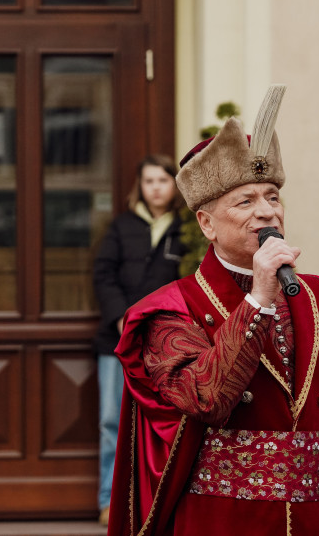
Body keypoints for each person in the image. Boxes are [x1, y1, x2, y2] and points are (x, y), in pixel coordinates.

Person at [108, 85, 319, 536]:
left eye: (272, 197)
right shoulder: (169, 312)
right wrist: (258, 298)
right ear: (206, 223)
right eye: (245, 201)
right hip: (219, 522)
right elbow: (207, 398)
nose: (266, 213)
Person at [93, 154, 187, 526]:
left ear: (174, 186)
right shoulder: (122, 227)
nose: (156, 188)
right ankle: (108, 500)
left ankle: (158, 501)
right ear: (140, 186)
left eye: (163, 181)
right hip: (117, 341)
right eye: (149, 181)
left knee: (165, 421)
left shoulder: (187, 228)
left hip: (167, 343)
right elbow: (104, 274)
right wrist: (120, 316)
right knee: (111, 420)